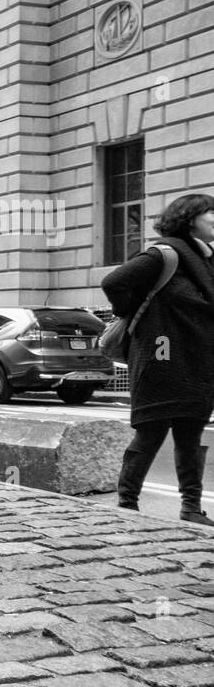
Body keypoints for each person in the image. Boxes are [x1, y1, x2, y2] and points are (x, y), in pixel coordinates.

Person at [102, 193, 214, 525]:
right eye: (211, 213)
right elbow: (114, 283)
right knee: (151, 430)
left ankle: (191, 508)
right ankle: (127, 503)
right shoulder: (165, 253)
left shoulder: (207, 260)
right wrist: (132, 312)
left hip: (197, 360)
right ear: (190, 218)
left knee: (191, 434)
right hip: (160, 357)